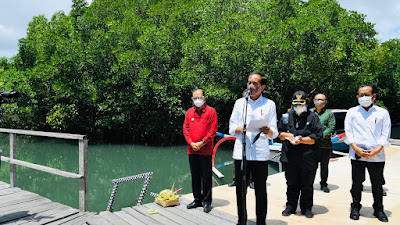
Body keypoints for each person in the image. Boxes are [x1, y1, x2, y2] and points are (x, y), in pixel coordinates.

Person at [229, 72, 278, 225]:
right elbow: (231, 128)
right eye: (249, 82)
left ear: (262, 87)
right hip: (241, 153)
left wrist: (268, 131)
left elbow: (274, 132)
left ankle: (261, 222)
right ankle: (241, 220)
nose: (251, 86)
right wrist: (242, 128)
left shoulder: (269, 104)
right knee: (240, 190)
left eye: (255, 84)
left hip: (260, 154)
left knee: (261, 191)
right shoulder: (239, 103)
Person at [345, 85, 391, 222]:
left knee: (377, 184)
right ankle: (355, 207)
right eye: (361, 95)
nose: (364, 97)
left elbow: (385, 134)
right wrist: (355, 148)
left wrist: (377, 150)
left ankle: (378, 209)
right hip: (357, 153)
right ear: (357, 97)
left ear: (373, 96)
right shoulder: (352, 112)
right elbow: (349, 132)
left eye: (367, 94)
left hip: (376, 155)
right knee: (357, 183)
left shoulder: (382, 113)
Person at [278, 91, 323, 218]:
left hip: (308, 157)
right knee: (291, 183)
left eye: (301, 104)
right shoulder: (287, 116)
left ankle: (306, 207)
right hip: (290, 156)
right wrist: (287, 136)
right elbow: (279, 134)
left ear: (306, 104)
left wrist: (301, 139)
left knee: (307, 184)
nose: (298, 106)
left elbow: (318, 137)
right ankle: (290, 206)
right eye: (296, 104)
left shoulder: (313, 117)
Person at [183, 89, 218, 213]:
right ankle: (197, 199)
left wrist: (202, 142)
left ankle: (207, 201)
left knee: (206, 176)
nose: (197, 100)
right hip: (192, 150)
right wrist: (191, 142)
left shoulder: (211, 111)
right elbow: (185, 129)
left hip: (206, 149)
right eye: (194, 98)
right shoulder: (189, 112)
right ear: (192, 100)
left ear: (204, 98)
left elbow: (213, 130)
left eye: (199, 97)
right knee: (195, 175)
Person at [310, 93, 336, 193]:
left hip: (325, 144)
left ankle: (324, 184)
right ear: (313, 101)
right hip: (312, 144)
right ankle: (309, 183)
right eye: (317, 99)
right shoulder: (310, 112)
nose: (319, 101)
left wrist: (319, 136)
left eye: (322, 100)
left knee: (324, 166)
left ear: (325, 102)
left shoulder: (329, 113)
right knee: (311, 166)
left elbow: (331, 128)